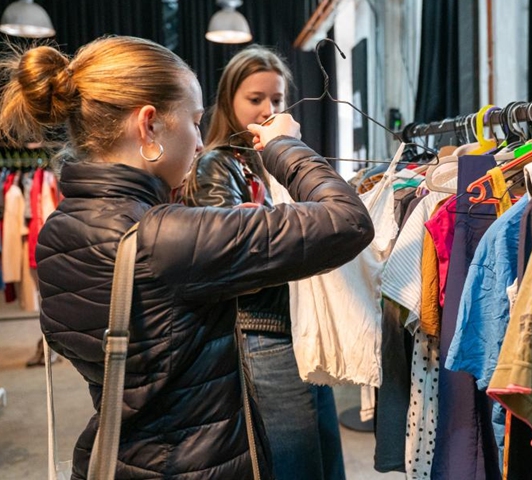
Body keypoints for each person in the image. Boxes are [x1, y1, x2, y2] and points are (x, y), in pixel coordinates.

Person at [0, 36, 374, 479]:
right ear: (149, 125)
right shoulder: (165, 237)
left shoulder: (59, 229)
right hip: (198, 466)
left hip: (117, 456)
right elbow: (349, 221)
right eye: (195, 122)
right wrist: (283, 146)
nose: (199, 141)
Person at [182, 45, 346, 480]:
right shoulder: (219, 163)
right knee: (297, 462)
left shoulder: (261, 160)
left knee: (320, 456)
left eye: (276, 99)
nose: (268, 109)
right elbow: (236, 257)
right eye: (255, 99)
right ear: (229, 99)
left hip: (292, 326)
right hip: (264, 332)